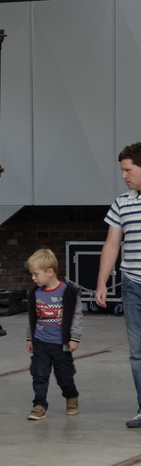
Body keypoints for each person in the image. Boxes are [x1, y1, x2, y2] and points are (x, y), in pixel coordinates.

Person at [96, 142, 141, 427]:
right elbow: (112, 245)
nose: (124, 176)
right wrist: (101, 283)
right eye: (122, 171)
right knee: (138, 353)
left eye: (129, 170)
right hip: (133, 287)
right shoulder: (122, 203)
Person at [24, 248, 82, 420]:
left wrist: (74, 337)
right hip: (41, 342)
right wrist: (30, 337)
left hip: (61, 344)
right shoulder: (35, 293)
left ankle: (71, 397)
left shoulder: (69, 292)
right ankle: (39, 405)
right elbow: (32, 317)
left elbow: (77, 316)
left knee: (65, 377)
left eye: (36, 274)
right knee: (39, 375)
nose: (33, 278)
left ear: (50, 272)